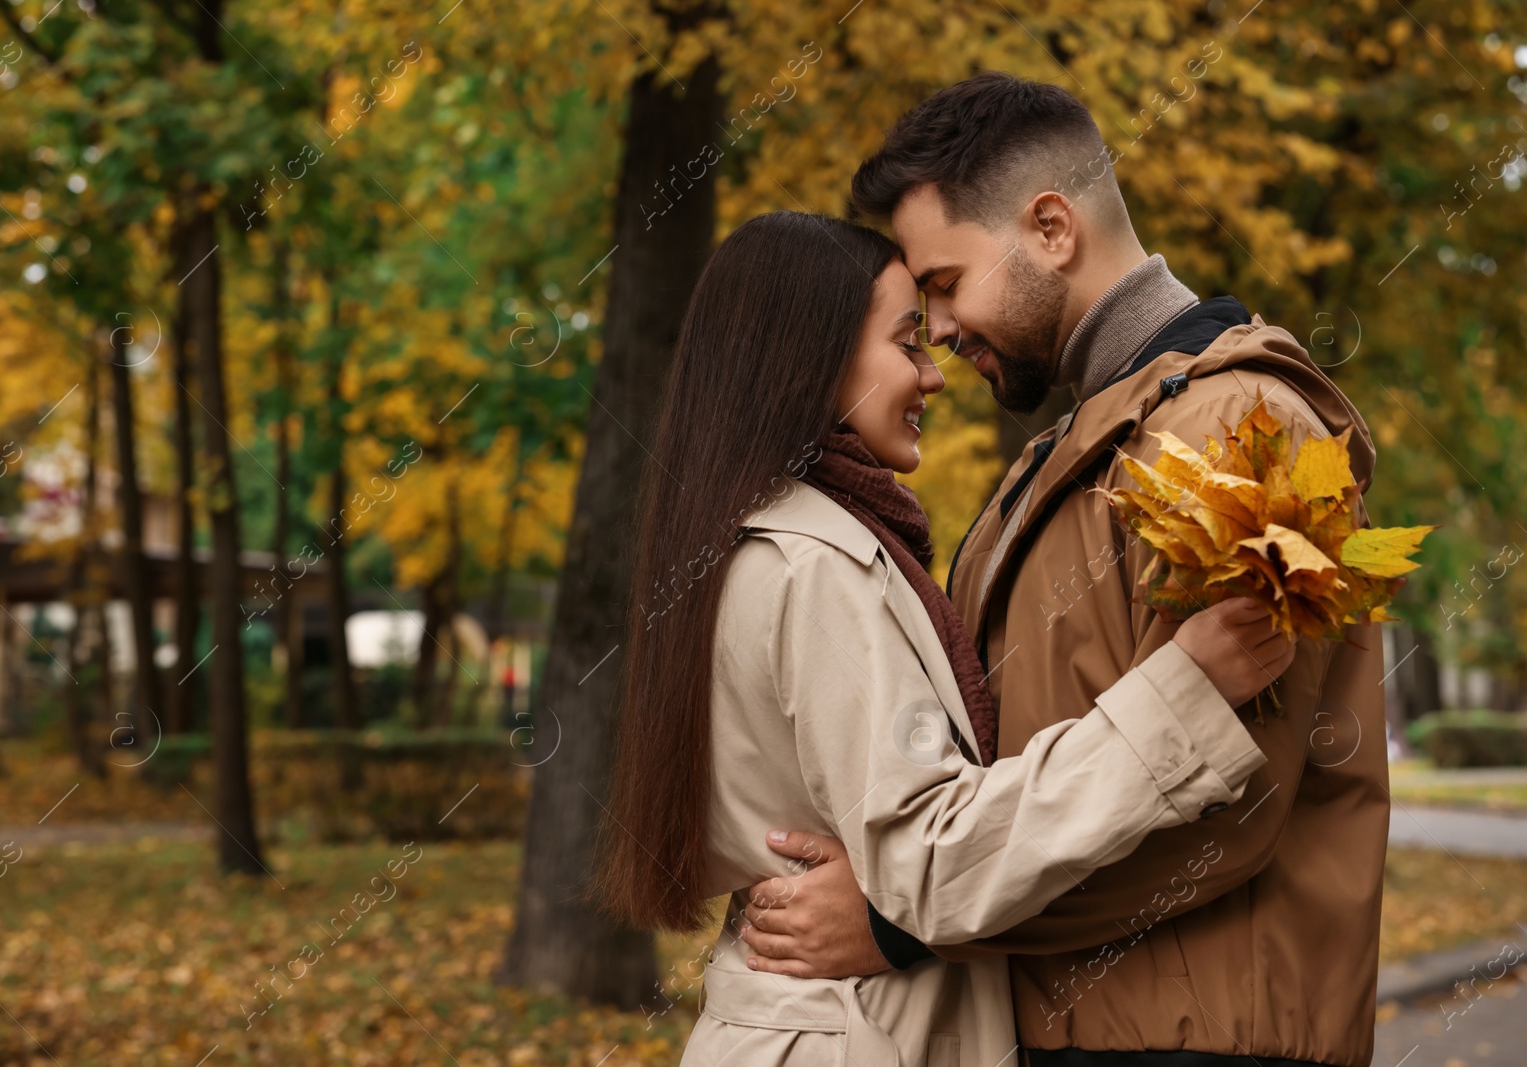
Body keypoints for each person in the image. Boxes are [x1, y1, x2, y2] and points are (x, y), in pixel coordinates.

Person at [738, 73, 1388, 1067]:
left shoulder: (1232, 432)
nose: (940, 331)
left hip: (1195, 1038)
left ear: (1050, 227)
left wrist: (903, 922)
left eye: (946, 283)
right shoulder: (1074, 452)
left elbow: (1225, 803)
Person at [595, 209, 1298, 1065]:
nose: (933, 376)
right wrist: (1181, 692)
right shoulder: (818, 565)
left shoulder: (751, 537)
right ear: (814, 363)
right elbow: (928, 860)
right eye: (907, 344)